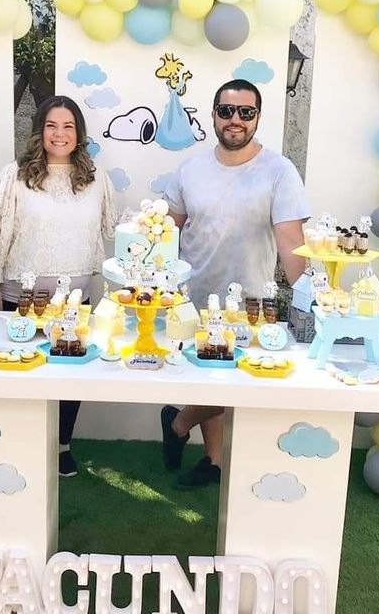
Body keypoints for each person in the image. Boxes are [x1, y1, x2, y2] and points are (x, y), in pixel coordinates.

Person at [160, 79, 310, 488]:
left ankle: (178, 423)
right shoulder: (190, 170)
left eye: (246, 112)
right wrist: (153, 274)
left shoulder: (279, 171)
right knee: (209, 377)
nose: (235, 120)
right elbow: (170, 226)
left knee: (228, 379)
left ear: (257, 117)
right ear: (213, 115)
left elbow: (291, 239)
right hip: (192, 298)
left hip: (250, 300)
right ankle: (213, 461)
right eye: (227, 111)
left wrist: (310, 300)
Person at [0, 95, 117, 478]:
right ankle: (20, 446)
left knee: (68, 375)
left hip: (77, 298)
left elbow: (111, 230)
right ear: (39, 131)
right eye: (51, 126)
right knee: (23, 370)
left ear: (79, 134)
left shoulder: (96, 179)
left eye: (68, 127)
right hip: (21, 298)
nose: (60, 134)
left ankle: (62, 446)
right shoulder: (15, 175)